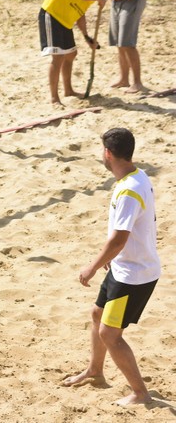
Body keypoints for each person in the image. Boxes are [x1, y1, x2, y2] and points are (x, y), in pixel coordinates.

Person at [62, 127, 159, 406]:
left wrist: (93, 266)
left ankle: (141, 393)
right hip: (124, 266)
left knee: (110, 334)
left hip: (134, 275)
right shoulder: (137, 176)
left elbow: (119, 238)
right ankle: (95, 371)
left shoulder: (129, 190)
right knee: (97, 314)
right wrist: (111, 259)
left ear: (107, 154)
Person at [39, 0, 110, 105]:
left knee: (71, 54)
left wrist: (86, 37)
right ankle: (54, 98)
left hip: (66, 22)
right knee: (58, 56)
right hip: (52, 15)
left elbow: (80, 15)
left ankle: (68, 90)